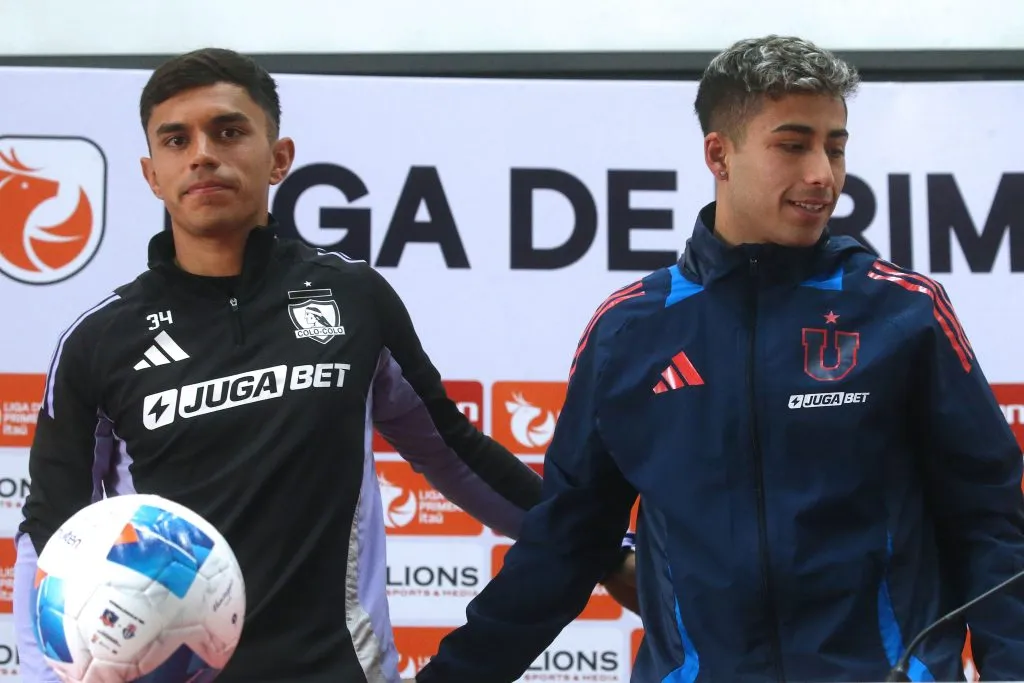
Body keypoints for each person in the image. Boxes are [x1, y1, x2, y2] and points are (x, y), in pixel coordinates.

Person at [13, 48, 637, 683]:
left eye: (228, 131)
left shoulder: (352, 298)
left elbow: (454, 453)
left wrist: (604, 552)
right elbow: (51, 535)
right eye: (177, 140)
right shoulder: (97, 340)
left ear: (278, 156)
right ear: (151, 173)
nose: (202, 153)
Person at [413, 35, 1024, 683]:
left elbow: (990, 527)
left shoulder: (904, 311)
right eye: (793, 144)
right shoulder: (630, 330)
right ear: (719, 154)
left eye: (836, 146)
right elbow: (563, 543)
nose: (823, 172)